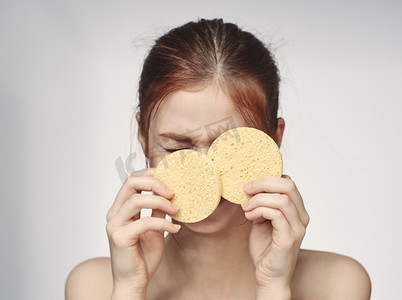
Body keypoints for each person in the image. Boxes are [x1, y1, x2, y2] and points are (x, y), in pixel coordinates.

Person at [65, 18, 371, 299]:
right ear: (144, 138)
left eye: (231, 148)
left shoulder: (336, 285)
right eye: (177, 148)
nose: (205, 175)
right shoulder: (95, 286)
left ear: (273, 140)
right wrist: (130, 288)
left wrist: (273, 286)